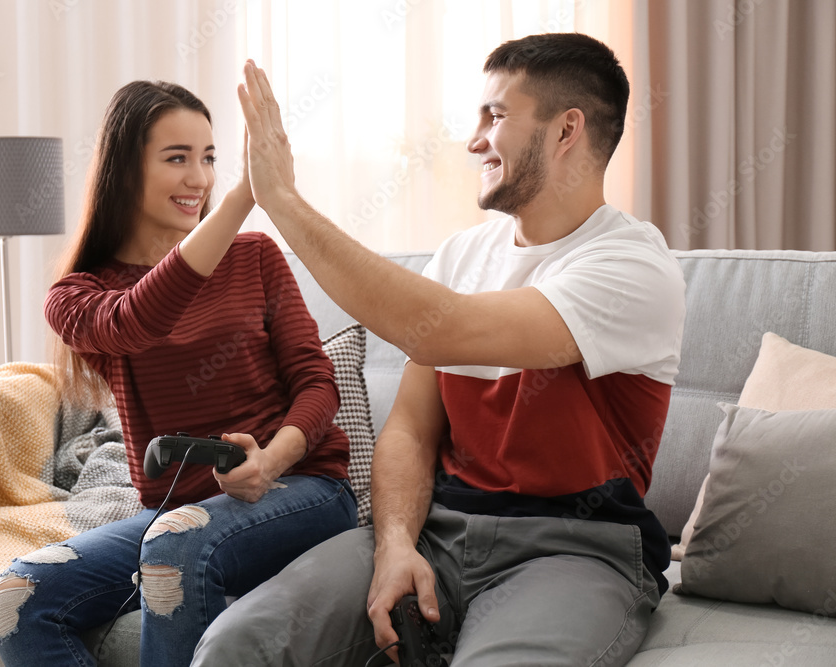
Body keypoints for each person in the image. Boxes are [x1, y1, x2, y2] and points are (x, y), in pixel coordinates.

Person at [191, 32, 686, 666]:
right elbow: (411, 429)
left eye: (496, 116)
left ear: (566, 130)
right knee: (236, 645)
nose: (475, 140)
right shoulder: (460, 256)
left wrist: (282, 201)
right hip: (438, 532)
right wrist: (396, 544)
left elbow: (445, 331)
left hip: (575, 548)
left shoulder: (630, 265)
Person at [0, 80, 357, 667]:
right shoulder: (78, 296)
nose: (200, 179)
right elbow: (139, 321)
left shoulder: (255, 256)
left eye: (209, 158)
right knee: (17, 598)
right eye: (177, 158)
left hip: (302, 491)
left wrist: (269, 460)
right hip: (174, 518)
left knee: (173, 544)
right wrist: (246, 195)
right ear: (124, 171)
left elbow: (316, 382)